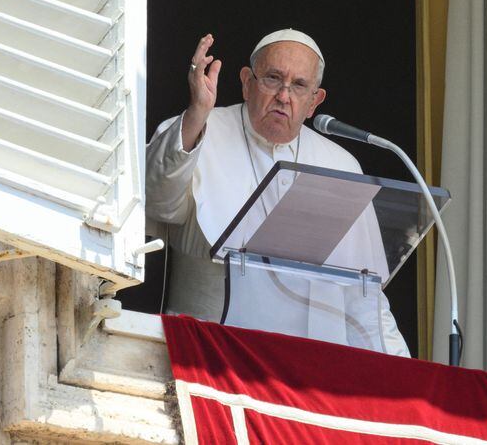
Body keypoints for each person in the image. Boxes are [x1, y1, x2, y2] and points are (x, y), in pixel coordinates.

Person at [146, 29, 410, 357]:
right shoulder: (201, 131)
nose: (284, 96)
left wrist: (402, 369)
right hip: (209, 353)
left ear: (315, 101)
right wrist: (197, 113)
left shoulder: (342, 165)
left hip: (307, 366)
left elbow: (363, 292)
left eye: (299, 85)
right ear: (246, 82)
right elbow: (157, 202)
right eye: (273, 78)